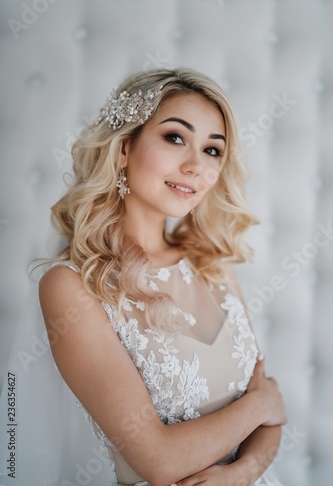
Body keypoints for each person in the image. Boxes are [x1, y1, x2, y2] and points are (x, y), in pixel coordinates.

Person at [0, 67, 287, 486]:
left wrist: (243, 472)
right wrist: (260, 406)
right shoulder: (72, 287)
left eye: (212, 150)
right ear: (123, 148)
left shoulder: (211, 265)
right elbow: (158, 461)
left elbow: (271, 420)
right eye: (175, 138)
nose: (195, 165)